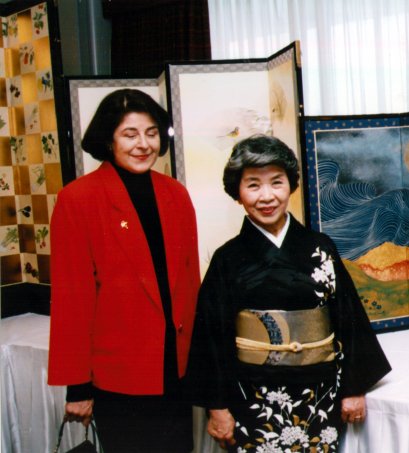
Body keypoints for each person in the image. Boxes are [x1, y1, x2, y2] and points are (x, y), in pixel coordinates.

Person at [187, 134, 391, 452]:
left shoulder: (320, 248)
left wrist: (354, 387)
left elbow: (349, 321)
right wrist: (217, 407)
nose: (266, 196)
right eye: (253, 185)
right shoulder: (227, 259)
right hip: (252, 396)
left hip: (318, 393)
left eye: (276, 183)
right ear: (237, 193)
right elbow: (210, 338)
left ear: (291, 185)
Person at [48, 89, 200, 452]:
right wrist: (78, 386)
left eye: (151, 133)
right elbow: (72, 301)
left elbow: (190, 285)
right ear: (108, 139)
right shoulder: (78, 199)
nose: (143, 144)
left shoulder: (176, 194)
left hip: (175, 369)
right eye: (130, 134)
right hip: (118, 375)